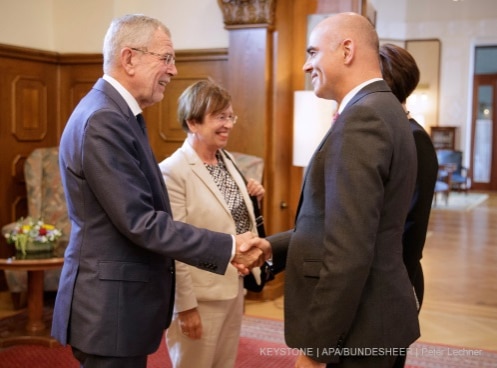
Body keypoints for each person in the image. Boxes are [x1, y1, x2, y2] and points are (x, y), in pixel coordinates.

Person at [51, 14, 269, 368]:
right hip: (109, 308)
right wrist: (228, 246)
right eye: (166, 57)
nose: (173, 69)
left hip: (119, 304)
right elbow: (140, 221)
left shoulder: (117, 114)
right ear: (129, 58)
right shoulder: (104, 119)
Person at [246, 13, 421, 368]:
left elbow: (349, 251)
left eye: (312, 52)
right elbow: (339, 225)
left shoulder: (362, 118)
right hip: (374, 320)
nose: (306, 65)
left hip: (359, 329)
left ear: (347, 50)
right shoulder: (383, 107)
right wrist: (271, 246)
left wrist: (315, 349)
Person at [159, 79, 265, 368]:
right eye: (219, 117)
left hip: (232, 286)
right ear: (193, 122)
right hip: (200, 297)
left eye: (230, 116)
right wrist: (185, 307)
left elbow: (230, 218)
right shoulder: (172, 172)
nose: (228, 124)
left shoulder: (225, 159)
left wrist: (253, 197)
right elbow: (173, 245)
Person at [380, 43, 439, 367]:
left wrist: (387, 288)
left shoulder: (414, 138)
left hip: (396, 281)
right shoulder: (390, 133)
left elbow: (411, 226)